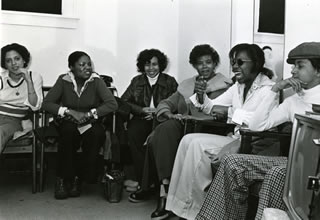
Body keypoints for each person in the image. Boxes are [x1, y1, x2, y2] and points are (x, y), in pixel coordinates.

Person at [196, 41, 320, 220]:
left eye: (299, 66)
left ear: (318, 70)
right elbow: (256, 126)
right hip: (294, 163)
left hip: (311, 165)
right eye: (293, 66)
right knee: (232, 162)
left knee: (275, 174)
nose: (293, 71)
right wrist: (274, 89)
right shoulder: (293, 101)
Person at [166, 43, 277, 220]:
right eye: (233, 62)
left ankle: (194, 211)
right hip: (236, 137)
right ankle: (176, 206)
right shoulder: (238, 86)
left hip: (253, 142)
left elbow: (259, 122)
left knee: (197, 145)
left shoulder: (269, 89)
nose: (234, 67)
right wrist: (202, 97)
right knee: (188, 140)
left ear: (255, 63)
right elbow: (211, 107)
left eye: (240, 62)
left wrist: (231, 112)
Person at [130, 44, 233, 220]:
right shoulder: (187, 85)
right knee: (163, 130)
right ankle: (165, 189)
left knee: (166, 135)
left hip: (210, 129)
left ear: (215, 63)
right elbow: (165, 103)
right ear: (194, 65)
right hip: (184, 126)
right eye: (199, 63)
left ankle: (167, 195)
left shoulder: (226, 86)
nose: (204, 66)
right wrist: (170, 114)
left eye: (208, 62)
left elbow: (224, 113)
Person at [42, 51, 118, 199]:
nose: (87, 68)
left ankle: (78, 178)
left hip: (89, 120)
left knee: (96, 134)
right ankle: (63, 179)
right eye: (82, 64)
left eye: (89, 64)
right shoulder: (63, 80)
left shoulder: (96, 81)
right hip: (68, 119)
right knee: (68, 132)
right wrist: (68, 111)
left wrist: (89, 114)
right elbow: (46, 103)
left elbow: (112, 104)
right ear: (71, 67)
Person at [121, 49, 178, 192]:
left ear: (161, 65)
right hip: (142, 118)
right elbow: (124, 102)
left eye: (154, 64)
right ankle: (143, 181)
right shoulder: (137, 81)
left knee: (158, 141)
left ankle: (157, 181)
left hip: (162, 120)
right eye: (147, 65)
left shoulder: (170, 81)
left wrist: (159, 112)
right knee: (134, 133)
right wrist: (141, 110)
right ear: (142, 66)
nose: (151, 68)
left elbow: (176, 104)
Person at [0, 43, 43, 152]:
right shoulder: (1, 78)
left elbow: (35, 107)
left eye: (17, 59)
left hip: (13, 121)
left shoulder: (35, 77)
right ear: (5, 64)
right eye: (8, 60)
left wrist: (28, 81)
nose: (13, 63)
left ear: (24, 60)